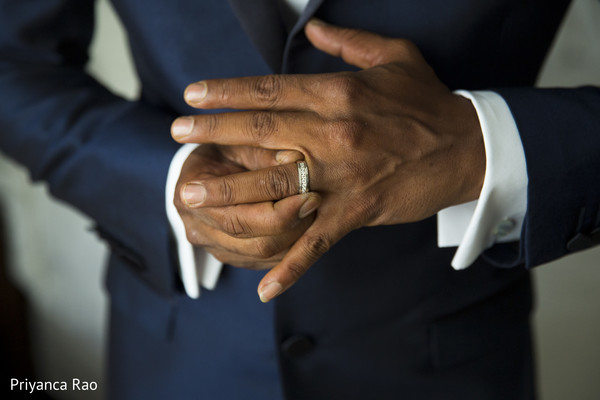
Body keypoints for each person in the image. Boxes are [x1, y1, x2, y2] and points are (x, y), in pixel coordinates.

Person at [0, 0, 598, 399]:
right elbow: (13, 59)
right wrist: (175, 181)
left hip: (445, 358)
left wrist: (475, 147)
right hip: (178, 351)